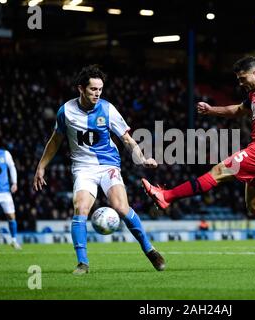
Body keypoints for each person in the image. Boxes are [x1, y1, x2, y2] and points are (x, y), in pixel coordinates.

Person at [142, 56, 255, 271]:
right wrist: (210, 110)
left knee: (218, 170)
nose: (240, 83)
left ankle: (166, 196)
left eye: (243, 78)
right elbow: (236, 110)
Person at [33, 65, 165, 275]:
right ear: (81, 88)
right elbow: (55, 140)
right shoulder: (65, 111)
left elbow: (126, 139)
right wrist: (41, 166)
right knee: (81, 208)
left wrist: (142, 159)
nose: (97, 93)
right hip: (83, 167)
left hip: (108, 165)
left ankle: (150, 250)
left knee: (121, 207)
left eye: (100, 89)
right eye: (93, 89)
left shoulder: (108, 109)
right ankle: (82, 263)